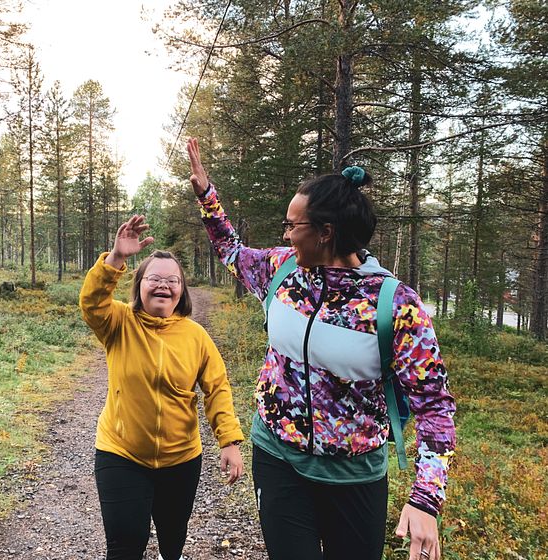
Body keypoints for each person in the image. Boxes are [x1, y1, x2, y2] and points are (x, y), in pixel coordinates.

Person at [186, 137, 455, 560]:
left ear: (326, 232)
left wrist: (425, 500)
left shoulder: (395, 305)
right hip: (277, 456)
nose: (286, 234)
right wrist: (207, 195)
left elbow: (435, 409)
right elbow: (232, 251)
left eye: (293, 226)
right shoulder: (282, 270)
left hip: (354, 476)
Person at [79, 214, 245, 560]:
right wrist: (116, 259)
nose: (163, 286)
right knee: (125, 545)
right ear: (139, 284)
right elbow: (91, 303)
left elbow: (216, 388)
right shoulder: (118, 322)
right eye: (154, 279)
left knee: (172, 542)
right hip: (121, 453)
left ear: (181, 290)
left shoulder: (195, 335)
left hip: (181, 458)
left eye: (172, 281)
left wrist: (228, 440)